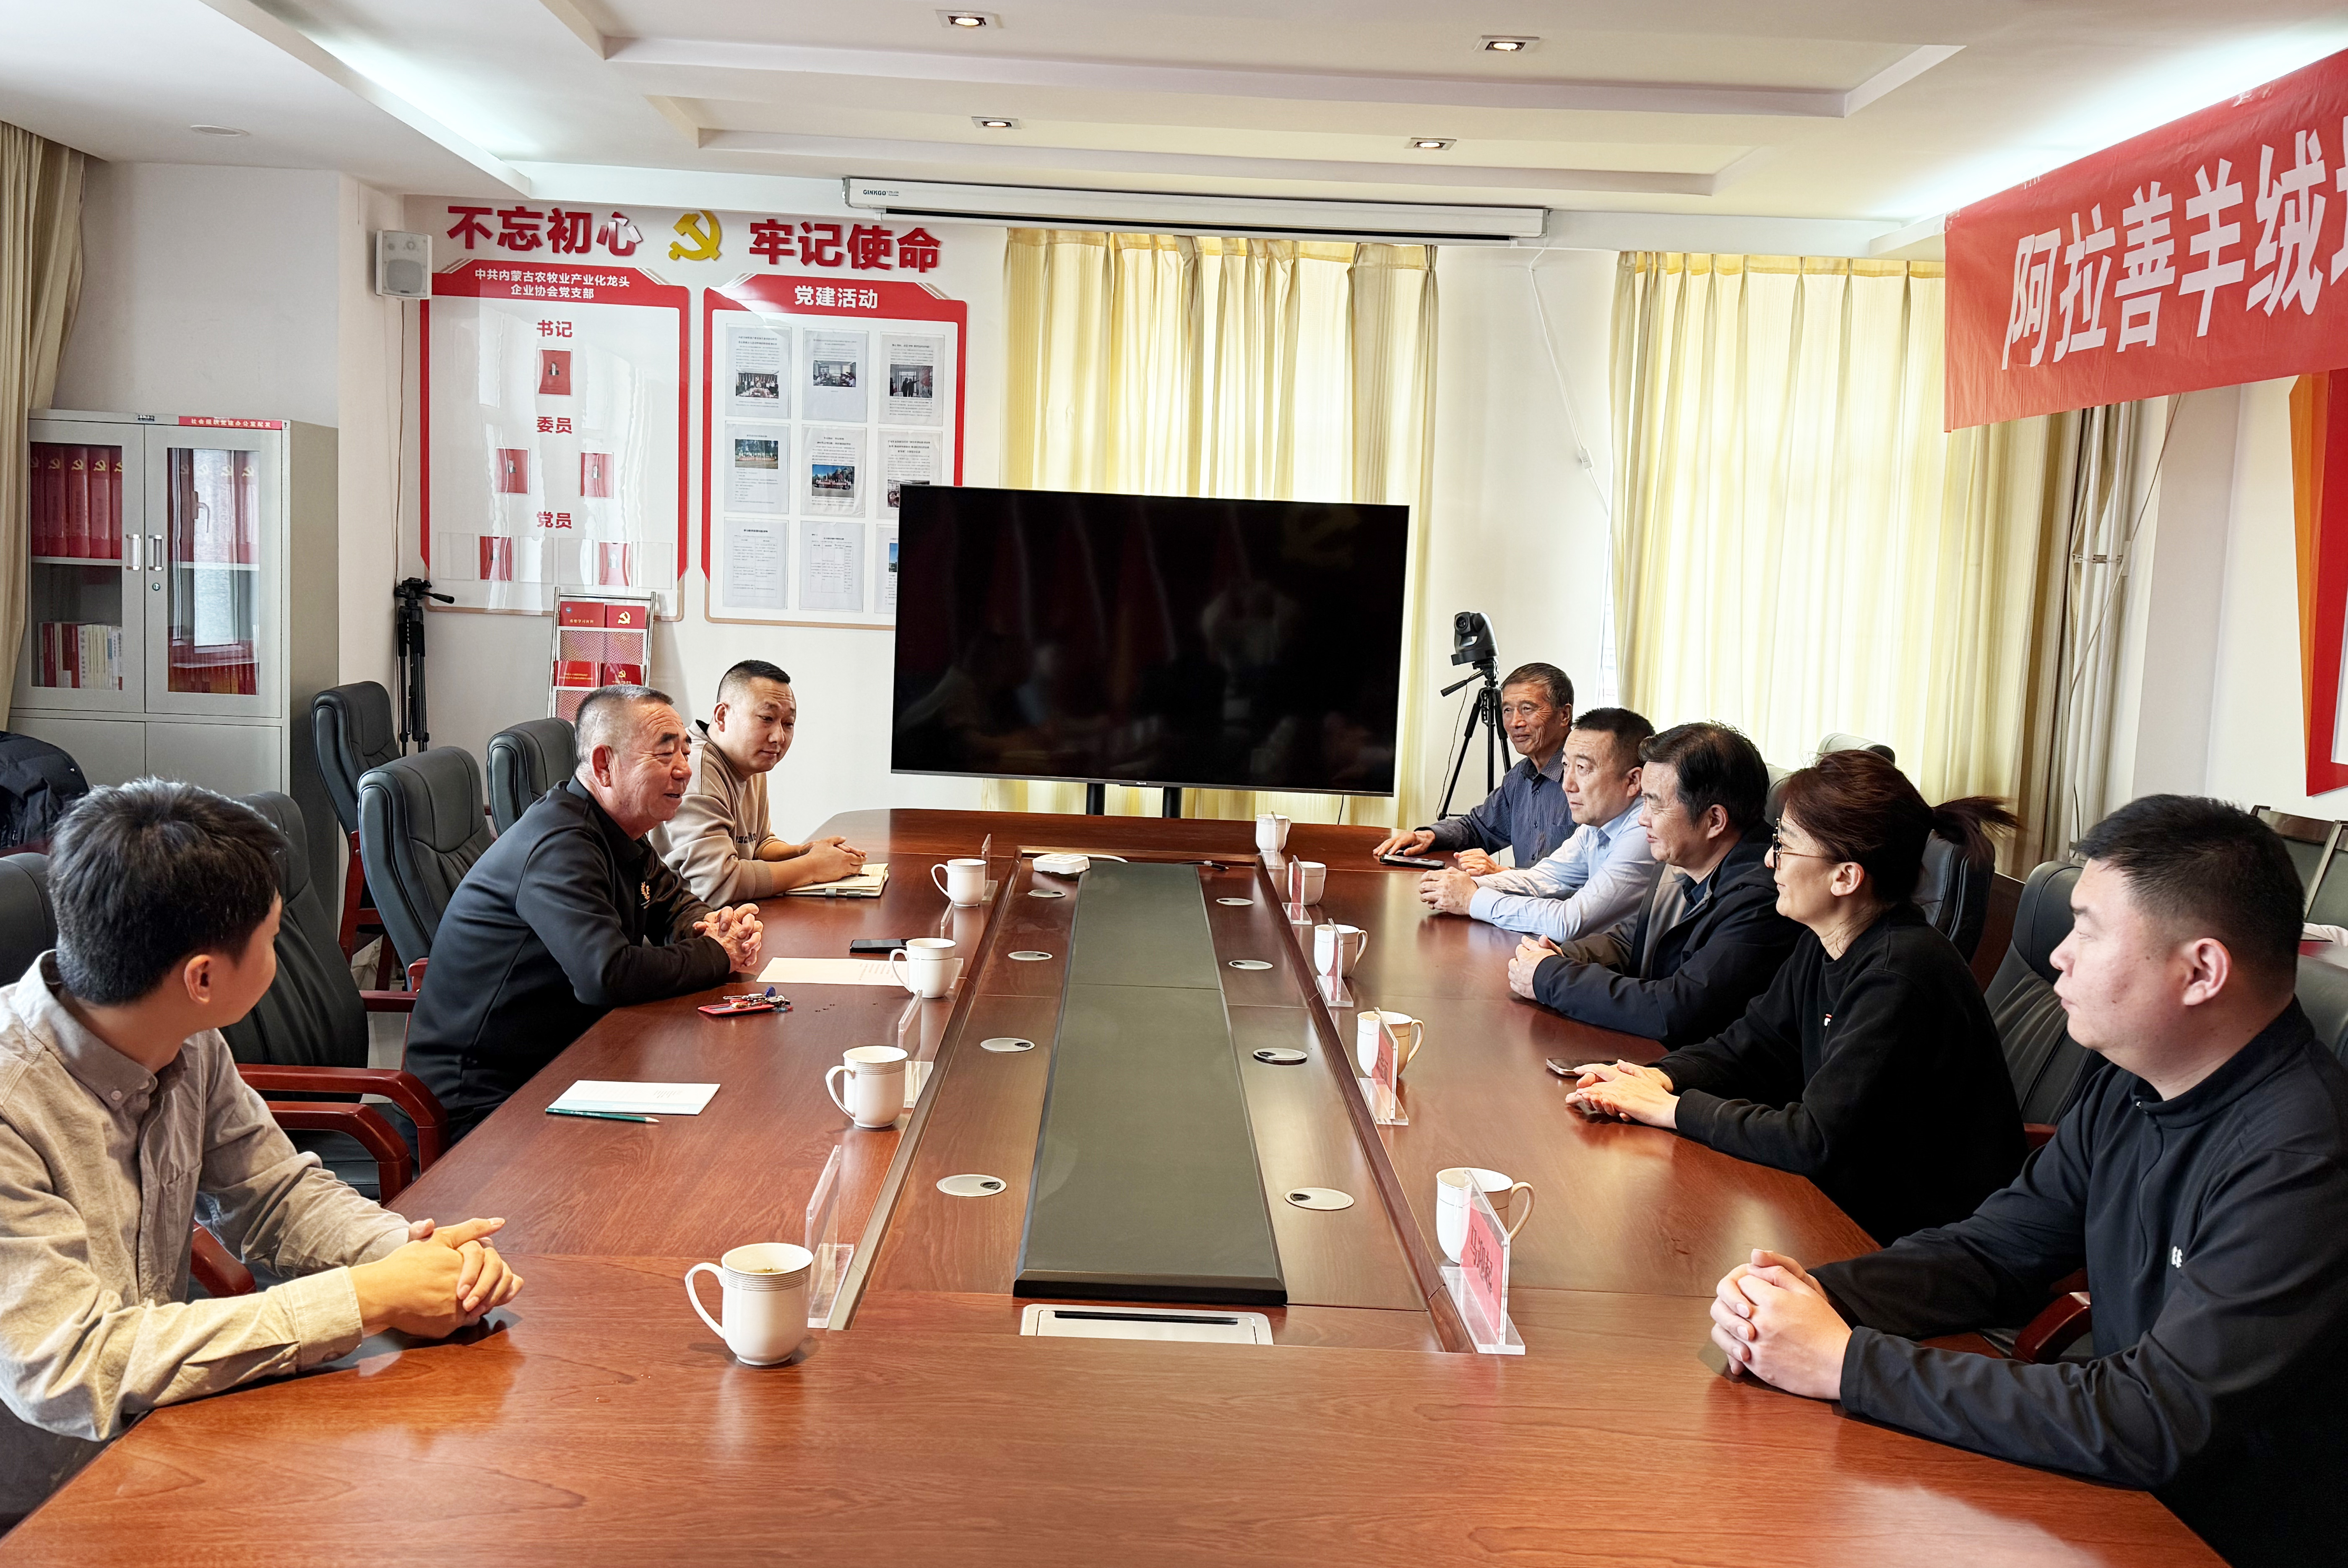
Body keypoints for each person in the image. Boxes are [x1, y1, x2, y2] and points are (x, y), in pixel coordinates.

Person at [1708, 797, 2348, 1568]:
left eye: (2088, 930)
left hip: (2216, 1534)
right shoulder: (2131, 1080)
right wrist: (1803, 1297)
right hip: (2113, 1492)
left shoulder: (2301, 1157)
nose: (2059, 956)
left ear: (2201, 970)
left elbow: (2152, 1415)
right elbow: (1992, 1250)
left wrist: (1844, 1362)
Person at [0, 782, 521, 1524]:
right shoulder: (12, 1105)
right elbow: (76, 1365)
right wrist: (368, 1297)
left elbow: (275, 1196)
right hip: (39, 1506)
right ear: (203, 978)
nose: (284, 951)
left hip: (156, 1445)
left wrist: (412, 1256)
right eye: (275, 937)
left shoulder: (184, 1039)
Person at [1566, 748, 2025, 1244]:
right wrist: (1657, 1077)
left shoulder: (1899, 975)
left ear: (1845, 876)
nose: (1769, 860)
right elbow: (1750, 1046)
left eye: (1784, 845)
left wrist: (1670, 1109)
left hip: (1915, 1236)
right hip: (1844, 1199)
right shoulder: (1824, 941)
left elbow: (1815, 1139)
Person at [406, 685, 765, 1138]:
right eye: (664, 754)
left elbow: (671, 900)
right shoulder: (561, 845)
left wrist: (712, 926)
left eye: (686, 752)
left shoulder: (617, 826)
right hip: (484, 1104)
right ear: (603, 765)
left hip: (567, 1061)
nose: (683, 770)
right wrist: (717, 953)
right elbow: (607, 974)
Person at [1508, 721, 1801, 1047]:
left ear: (1714, 820)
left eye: (1655, 803)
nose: (1642, 818)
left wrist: (1551, 977)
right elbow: (1630, 941)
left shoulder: (1761, 900)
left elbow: (1675, 1010)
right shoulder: (1683, 860)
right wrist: (1561, 954)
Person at [1417, 708, 1661, 946]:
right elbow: (1544, 878)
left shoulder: (1644, 830)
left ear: (1633, 781)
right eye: (1565, 766)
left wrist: (1473, 899)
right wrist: (1470, 884)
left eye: (1583, 769)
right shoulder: (1598, 822)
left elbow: (1570, 922)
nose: (1567, 785)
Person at [656, 659, 867, 904]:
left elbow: (758, 845)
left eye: (788, 724)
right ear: (722, 716)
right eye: (767, 718)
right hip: (682, 920)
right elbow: (716, 884)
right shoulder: (697, 767)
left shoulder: (750, 761)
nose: (779, 737)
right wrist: (812, 866)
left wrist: (804, 852)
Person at [1373, 663, 1574, 875]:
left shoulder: (1587, 780)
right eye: (1507, 710)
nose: (1515, 722)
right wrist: (1429, 836)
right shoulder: (1519, 778)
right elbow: (1477, 829)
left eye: (1528, 709)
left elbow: (1588, 879)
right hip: (1519, 895)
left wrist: (1501, 873)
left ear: (1564, 715)